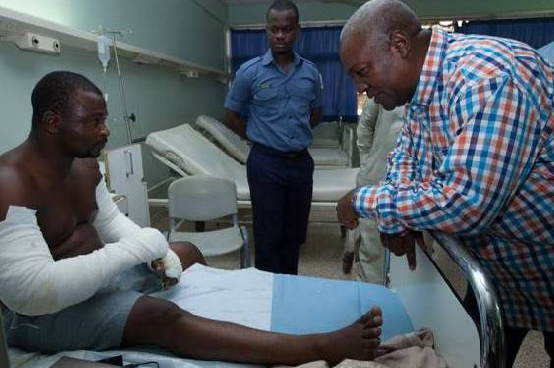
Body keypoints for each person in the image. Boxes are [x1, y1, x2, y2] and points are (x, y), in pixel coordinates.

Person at [0, 71, 384, 365]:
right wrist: (140, 248)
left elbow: (111, 223)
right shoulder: (11, 183)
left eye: (105, 119)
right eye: (93, 121)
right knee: (159, 316)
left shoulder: (84, 167)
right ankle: (315, 346)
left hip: (94, 282)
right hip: (41, 314)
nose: (104, 131)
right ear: (52, 123)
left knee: (185, 250)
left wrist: (158, 252)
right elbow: (34, 291)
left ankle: (194, 322)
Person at [336, 1, 554, 367]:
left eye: (361, 72)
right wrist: (397, 219)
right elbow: (406, 159)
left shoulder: (489, 76)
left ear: (399, 45)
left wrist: (364, 201)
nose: (360, 87)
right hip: (502, 269)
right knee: (470, 352)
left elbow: (465, 201)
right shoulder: (421, 91)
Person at [223, 0, 323, 275]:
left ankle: (289, 291)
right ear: (266, 31)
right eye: (274, 29)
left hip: (301, 164)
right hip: (265, 164)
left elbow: (315, 115)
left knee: (294, 234)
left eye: (287, 29)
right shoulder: (249, 72)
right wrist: (258, 137)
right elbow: (230, 116)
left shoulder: (311, 72)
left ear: (297, 31)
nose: (280, 36)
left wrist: (293, 136)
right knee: (267, 237)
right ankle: (264, 300)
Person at [351, 97, 406, 284]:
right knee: (373, 253)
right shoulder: (384, 84)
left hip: (418, 193)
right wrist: (368, 163)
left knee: (414, 260)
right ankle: (370, 304)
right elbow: (365, 126)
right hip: (377, 179)